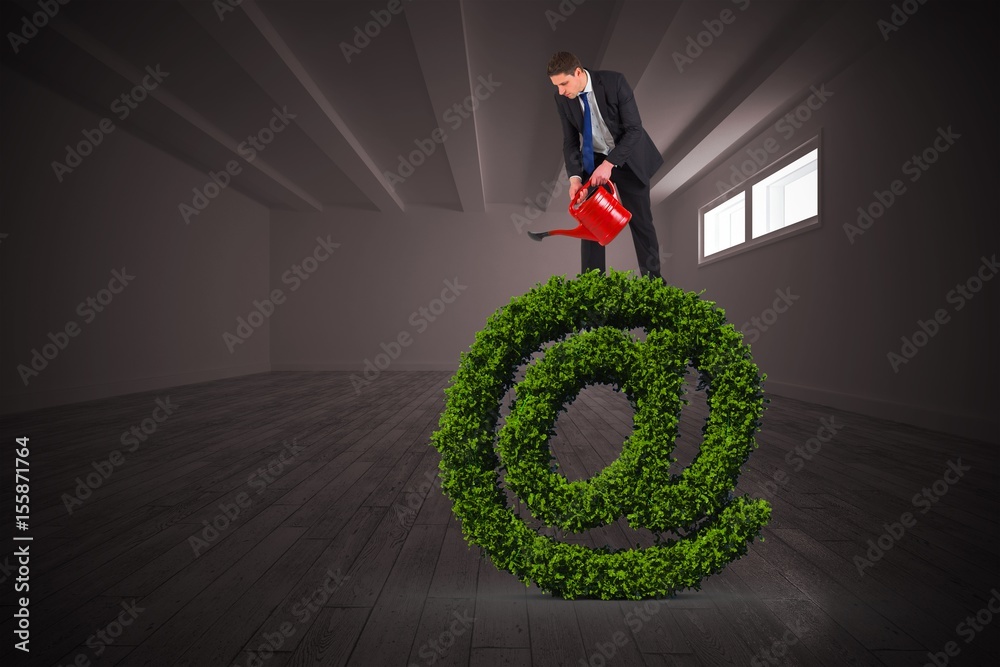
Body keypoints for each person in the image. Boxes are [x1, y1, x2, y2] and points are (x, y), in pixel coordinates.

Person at [547, 51, 665, 280]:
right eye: (556, 86)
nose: (561, 91)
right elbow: (570, 141)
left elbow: (634, 130)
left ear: (578, 73)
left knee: (641, 223)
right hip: (595, 159)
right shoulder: (561, 98)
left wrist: (610, 163)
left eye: (564, 83)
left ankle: (655, 284)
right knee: (591, 224)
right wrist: (575, 178)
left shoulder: (614, 82)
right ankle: (593, 288)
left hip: (628, 155)